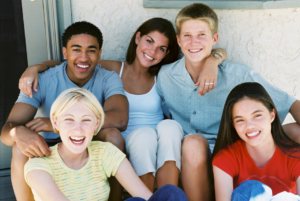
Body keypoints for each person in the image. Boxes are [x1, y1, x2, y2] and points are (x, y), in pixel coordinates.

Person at [18, 18, 227, 191]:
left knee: (171, 126)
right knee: (145, 137)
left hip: (160, 141)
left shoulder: (164, 75)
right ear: (137, 38)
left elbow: (214, 54)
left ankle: (167, 194)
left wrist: (213, 60)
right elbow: (75, 64)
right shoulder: (112, 69)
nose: (153, 51)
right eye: (149, 41)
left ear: (167, 53)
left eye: (161, 48)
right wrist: (35, 67)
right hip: (130, 140)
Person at [156, 3, 300, 201]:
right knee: (193, 143)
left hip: (237, 146)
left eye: (201, 35)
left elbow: (291, 103)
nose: (193, 41)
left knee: (295, 132)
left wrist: (214, 59)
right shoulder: (166, 76)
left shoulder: (238, 75)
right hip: (195, 156)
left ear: (215, 39)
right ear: (178, 40)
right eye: (187, 35)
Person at [1, 21, 128, 201]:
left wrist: (55, 124)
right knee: (20, 147)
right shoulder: (44, 79)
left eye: (91, 50)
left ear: (99, 54)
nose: (83, 57)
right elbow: (7, 131)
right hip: (48, 148)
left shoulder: (108, 78)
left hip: (87, 141)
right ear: (65, 52)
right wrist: (17, 133)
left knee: (114, 136)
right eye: (76, 49)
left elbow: (121, 120)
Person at [24, 87, 188, 201]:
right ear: (55, 122)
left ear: (96, 124)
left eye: (86, 120)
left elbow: (145, 196)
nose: (78, 129)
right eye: (69, 120)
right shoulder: (39, 165)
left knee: (170, 193)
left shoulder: (105, 153)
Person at [212, 82, 300, 201]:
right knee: (252, 189)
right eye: (240, 120)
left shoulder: (294, 155)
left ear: (272, 115)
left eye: (257, 116)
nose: (250, 126)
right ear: (233, 125)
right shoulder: (226, 158)